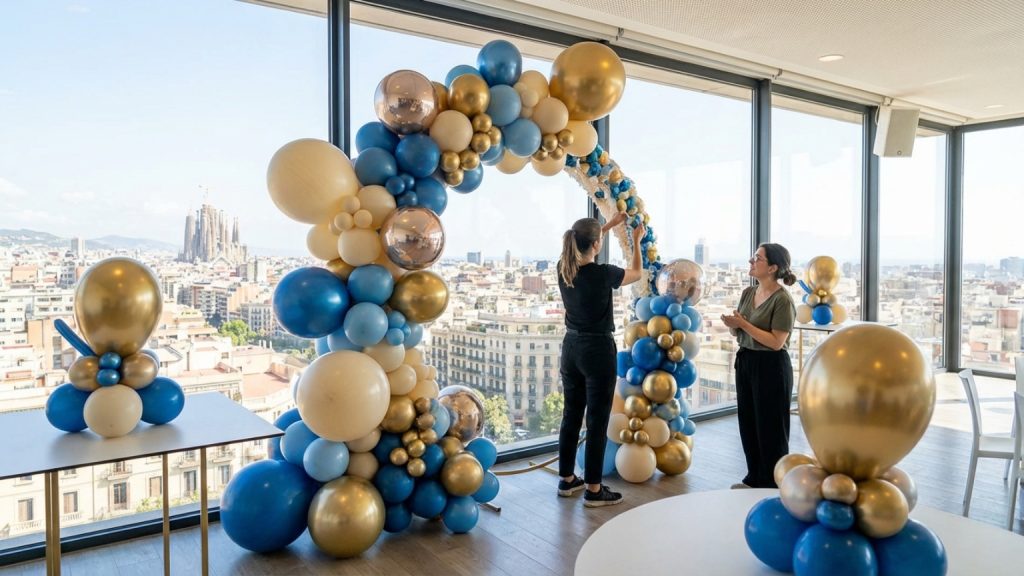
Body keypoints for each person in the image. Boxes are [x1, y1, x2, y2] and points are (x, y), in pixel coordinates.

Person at [556, 212, 645, 507]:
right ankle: (594, 490)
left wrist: (606, 227)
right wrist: (635, 240)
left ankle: (567, 480)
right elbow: (636, 273)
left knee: (571, 415)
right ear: (596, 244)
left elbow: (582, 240)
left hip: (571, 348)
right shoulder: (603, 273)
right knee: (596, 421)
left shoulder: (563, 268)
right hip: (597, 350)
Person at [720, 243, 797, 489]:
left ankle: (774, 484)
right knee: (749, 422)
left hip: (772, 366)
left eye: (758, 258)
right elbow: (740, 331)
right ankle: (754, 478)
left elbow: (776, 342)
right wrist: (734, 324)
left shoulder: (782, 299)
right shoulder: (747, 293)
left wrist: (743, 324)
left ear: (773, 267)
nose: (752, 261)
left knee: (771, 427)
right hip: (746, 361)